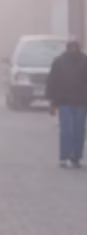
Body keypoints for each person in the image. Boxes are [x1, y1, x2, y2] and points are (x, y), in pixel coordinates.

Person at [47, 39, 87, 168]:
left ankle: (76, 157)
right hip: (64, 101)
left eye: (75, 46)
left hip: (81, 102)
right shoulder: (59, 61)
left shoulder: (85, 61)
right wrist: (52, 102)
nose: (73, 48)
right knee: (67, 130)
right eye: (71, 46)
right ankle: (64, 157)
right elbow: (52, 81)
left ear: (79, 47)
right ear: (67, 47)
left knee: (79, 130)